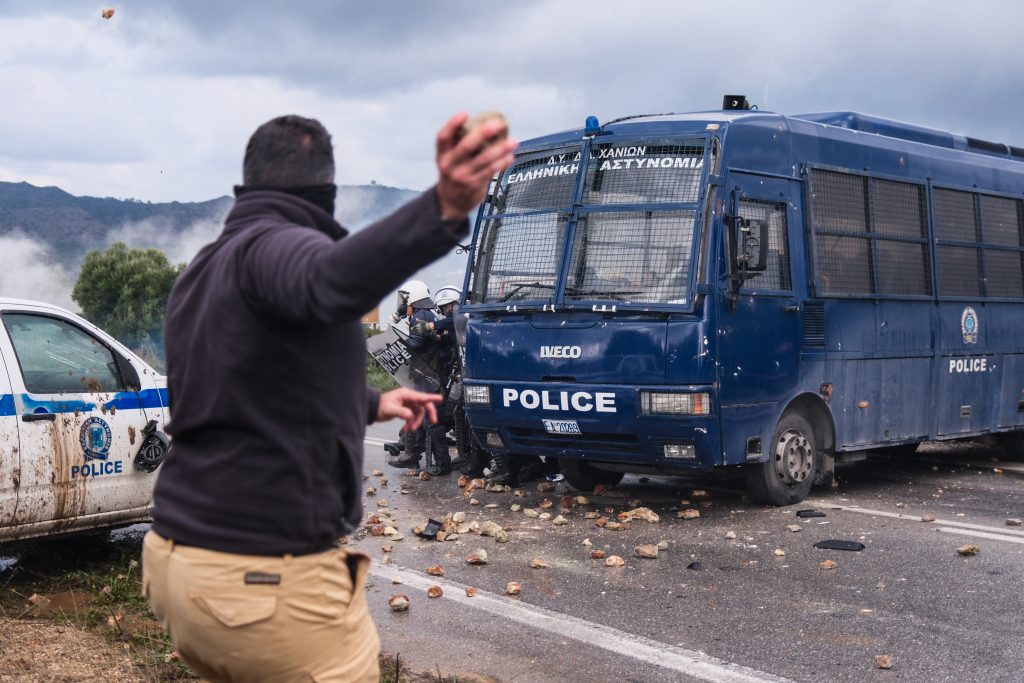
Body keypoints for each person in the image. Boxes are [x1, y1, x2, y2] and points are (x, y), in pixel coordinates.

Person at [142, 112, 515, 682]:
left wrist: (368, 403)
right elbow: (328, 281)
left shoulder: (207, 267)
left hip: (181, 565)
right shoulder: (277, 248)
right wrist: (441, 208)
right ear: (326, 194)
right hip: (260, 577)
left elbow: (251, 382)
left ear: (246, 187)